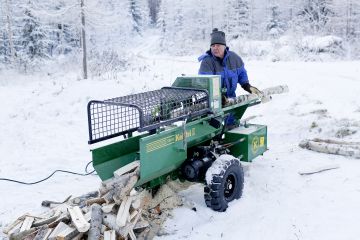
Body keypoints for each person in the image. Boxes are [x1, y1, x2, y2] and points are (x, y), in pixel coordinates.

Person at [198, 28, 262, 127]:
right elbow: (205, 83)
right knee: (214, 129)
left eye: (218, 45)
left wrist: (248, 86)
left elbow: (241, 75)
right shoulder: (207, 62)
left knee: (231, 126)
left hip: (231, 100)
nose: (215, 48)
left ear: (224, 46)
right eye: (213, 46)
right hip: (213, 102)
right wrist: (218, 97)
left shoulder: (235, 59)